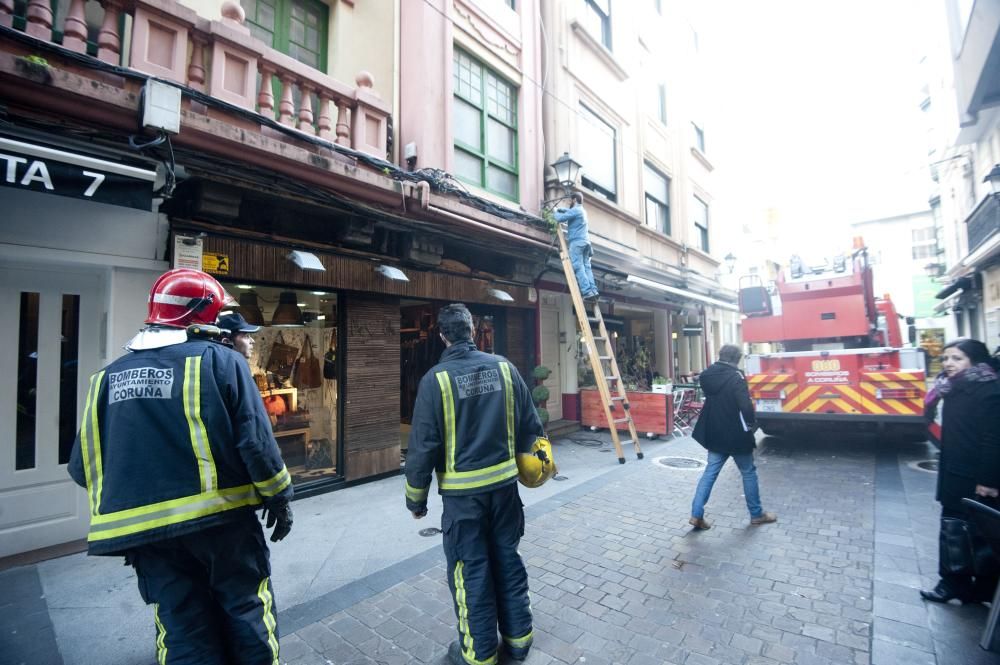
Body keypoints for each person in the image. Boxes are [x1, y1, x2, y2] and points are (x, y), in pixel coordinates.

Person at [68, 268, 294, 665]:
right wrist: (280, 498)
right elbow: (257, 445)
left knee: (181, 627)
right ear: (204, 317)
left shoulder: (104, 379)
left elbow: (82, 467)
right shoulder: (220, 361)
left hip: (148, 539)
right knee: (247, 613)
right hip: (222, 526)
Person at [405, 303, 545, 665]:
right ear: (473, 330)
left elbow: (422, 448)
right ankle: (518, 640)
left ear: (442, 336)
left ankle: (479, 653)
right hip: (505, 492)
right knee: (507, 559)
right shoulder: (505, 367)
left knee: (471, 571)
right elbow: (532, 426)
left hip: (463, 500)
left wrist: (416, 500)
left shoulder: (434, 380)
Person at [920, 338, 1000, 604]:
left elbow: (994, 438)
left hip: (976, 475)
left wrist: (988, 480)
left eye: (957, 358)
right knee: (952, 529)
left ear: (975, 361)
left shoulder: (988, 390)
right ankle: (953, 582)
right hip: (953, 470)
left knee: (980, 532)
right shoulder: (950, 388)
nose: (948, 364)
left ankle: (984, 587)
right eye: (945, 359)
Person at [688, 344, 777, 529]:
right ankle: (756, 514)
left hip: (715, 431)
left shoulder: (706, 375)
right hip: (736, 433)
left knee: (709, 473)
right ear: (736, 359)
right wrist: (751, 424)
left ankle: (696, 514)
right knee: (748, 472)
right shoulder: (736, 377)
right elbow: (744, 406)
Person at [554, 192, 599, 302]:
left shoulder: (576, 210)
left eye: (571, 200)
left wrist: (554, 213)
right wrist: (562, 209)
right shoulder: (582, 211)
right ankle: (593, 291)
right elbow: (569, 212)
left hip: (577, 243)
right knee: (586, 267)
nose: (570, 202)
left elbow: (560, 218)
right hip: (586, 243)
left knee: (578, 267)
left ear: (574, 200)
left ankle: (587, 292)